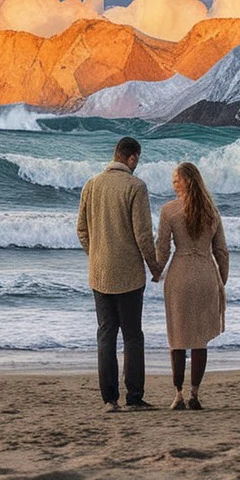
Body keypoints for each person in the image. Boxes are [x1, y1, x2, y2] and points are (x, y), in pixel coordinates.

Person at [76, 136, 162, 412]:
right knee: (133, 336)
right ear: (132, 158)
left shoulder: (91, 185)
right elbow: (143, 235)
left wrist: (97, 256)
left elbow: (81, 230)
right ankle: (134, 397)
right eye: (138, 160)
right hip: (128, 275)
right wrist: (154, 267)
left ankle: (109, 399)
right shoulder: (136, 186)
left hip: (99, 273)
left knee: (106, 334)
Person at [155, 161, 229, 411]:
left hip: (180, 276)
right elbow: (221, 251)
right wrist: (222, 279)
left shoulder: (169, 211)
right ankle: (194, 394)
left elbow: (162, 249)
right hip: (206, 274)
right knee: (199, 340)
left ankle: (177, 395)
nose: (173, 182)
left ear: (186, 181)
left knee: (177, 337)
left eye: (176, 178)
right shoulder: (212, 212)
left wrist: (156, 272)